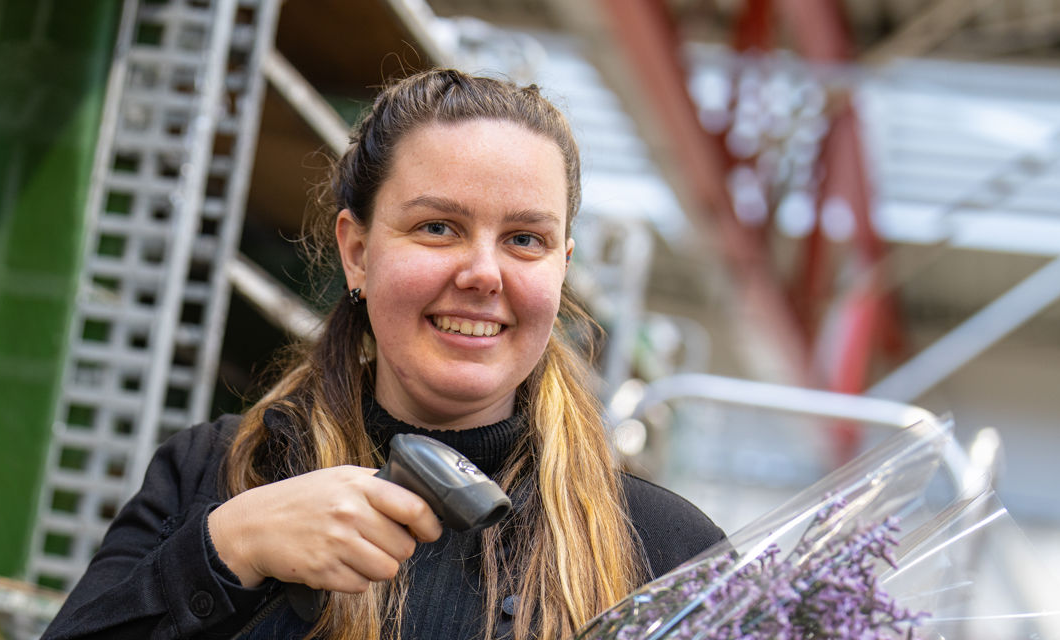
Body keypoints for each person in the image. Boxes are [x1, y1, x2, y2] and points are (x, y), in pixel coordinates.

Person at [40, 69, 724, 640]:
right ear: (357, 251)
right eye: (438, 227)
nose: (484, 273)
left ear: (561, 266)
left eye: (525, 239)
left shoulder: (666, 551)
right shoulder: (215, 477)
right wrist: (228, 550)